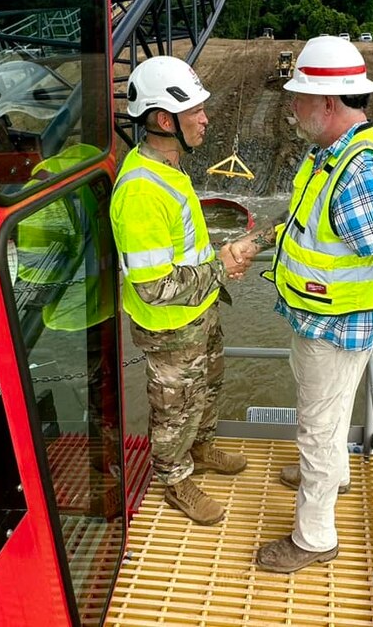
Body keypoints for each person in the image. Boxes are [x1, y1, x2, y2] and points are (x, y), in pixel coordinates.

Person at [229, 36, 373, 572]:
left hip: (337, 329)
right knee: (328, 413)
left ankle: (314, 538)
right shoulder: (329, 155)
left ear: (327, 104)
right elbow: (300, 223)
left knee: (316, 428)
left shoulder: (361, 172)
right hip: (319, 321)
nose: (290, 108)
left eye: (297, 98)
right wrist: (255, 242)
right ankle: (335, 472)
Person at [110, 55, 248, 526]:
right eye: (197, 111)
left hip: (198, 313)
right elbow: (152, 287)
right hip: (170, 328)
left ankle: (203, 448)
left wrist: (218, 258)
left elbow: (182, 247)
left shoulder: (167, 169)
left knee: (206, 389)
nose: (206, 119)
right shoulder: (141, 193)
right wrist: (220, 268)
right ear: (165, 120)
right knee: (173, 409)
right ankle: (173, 479)